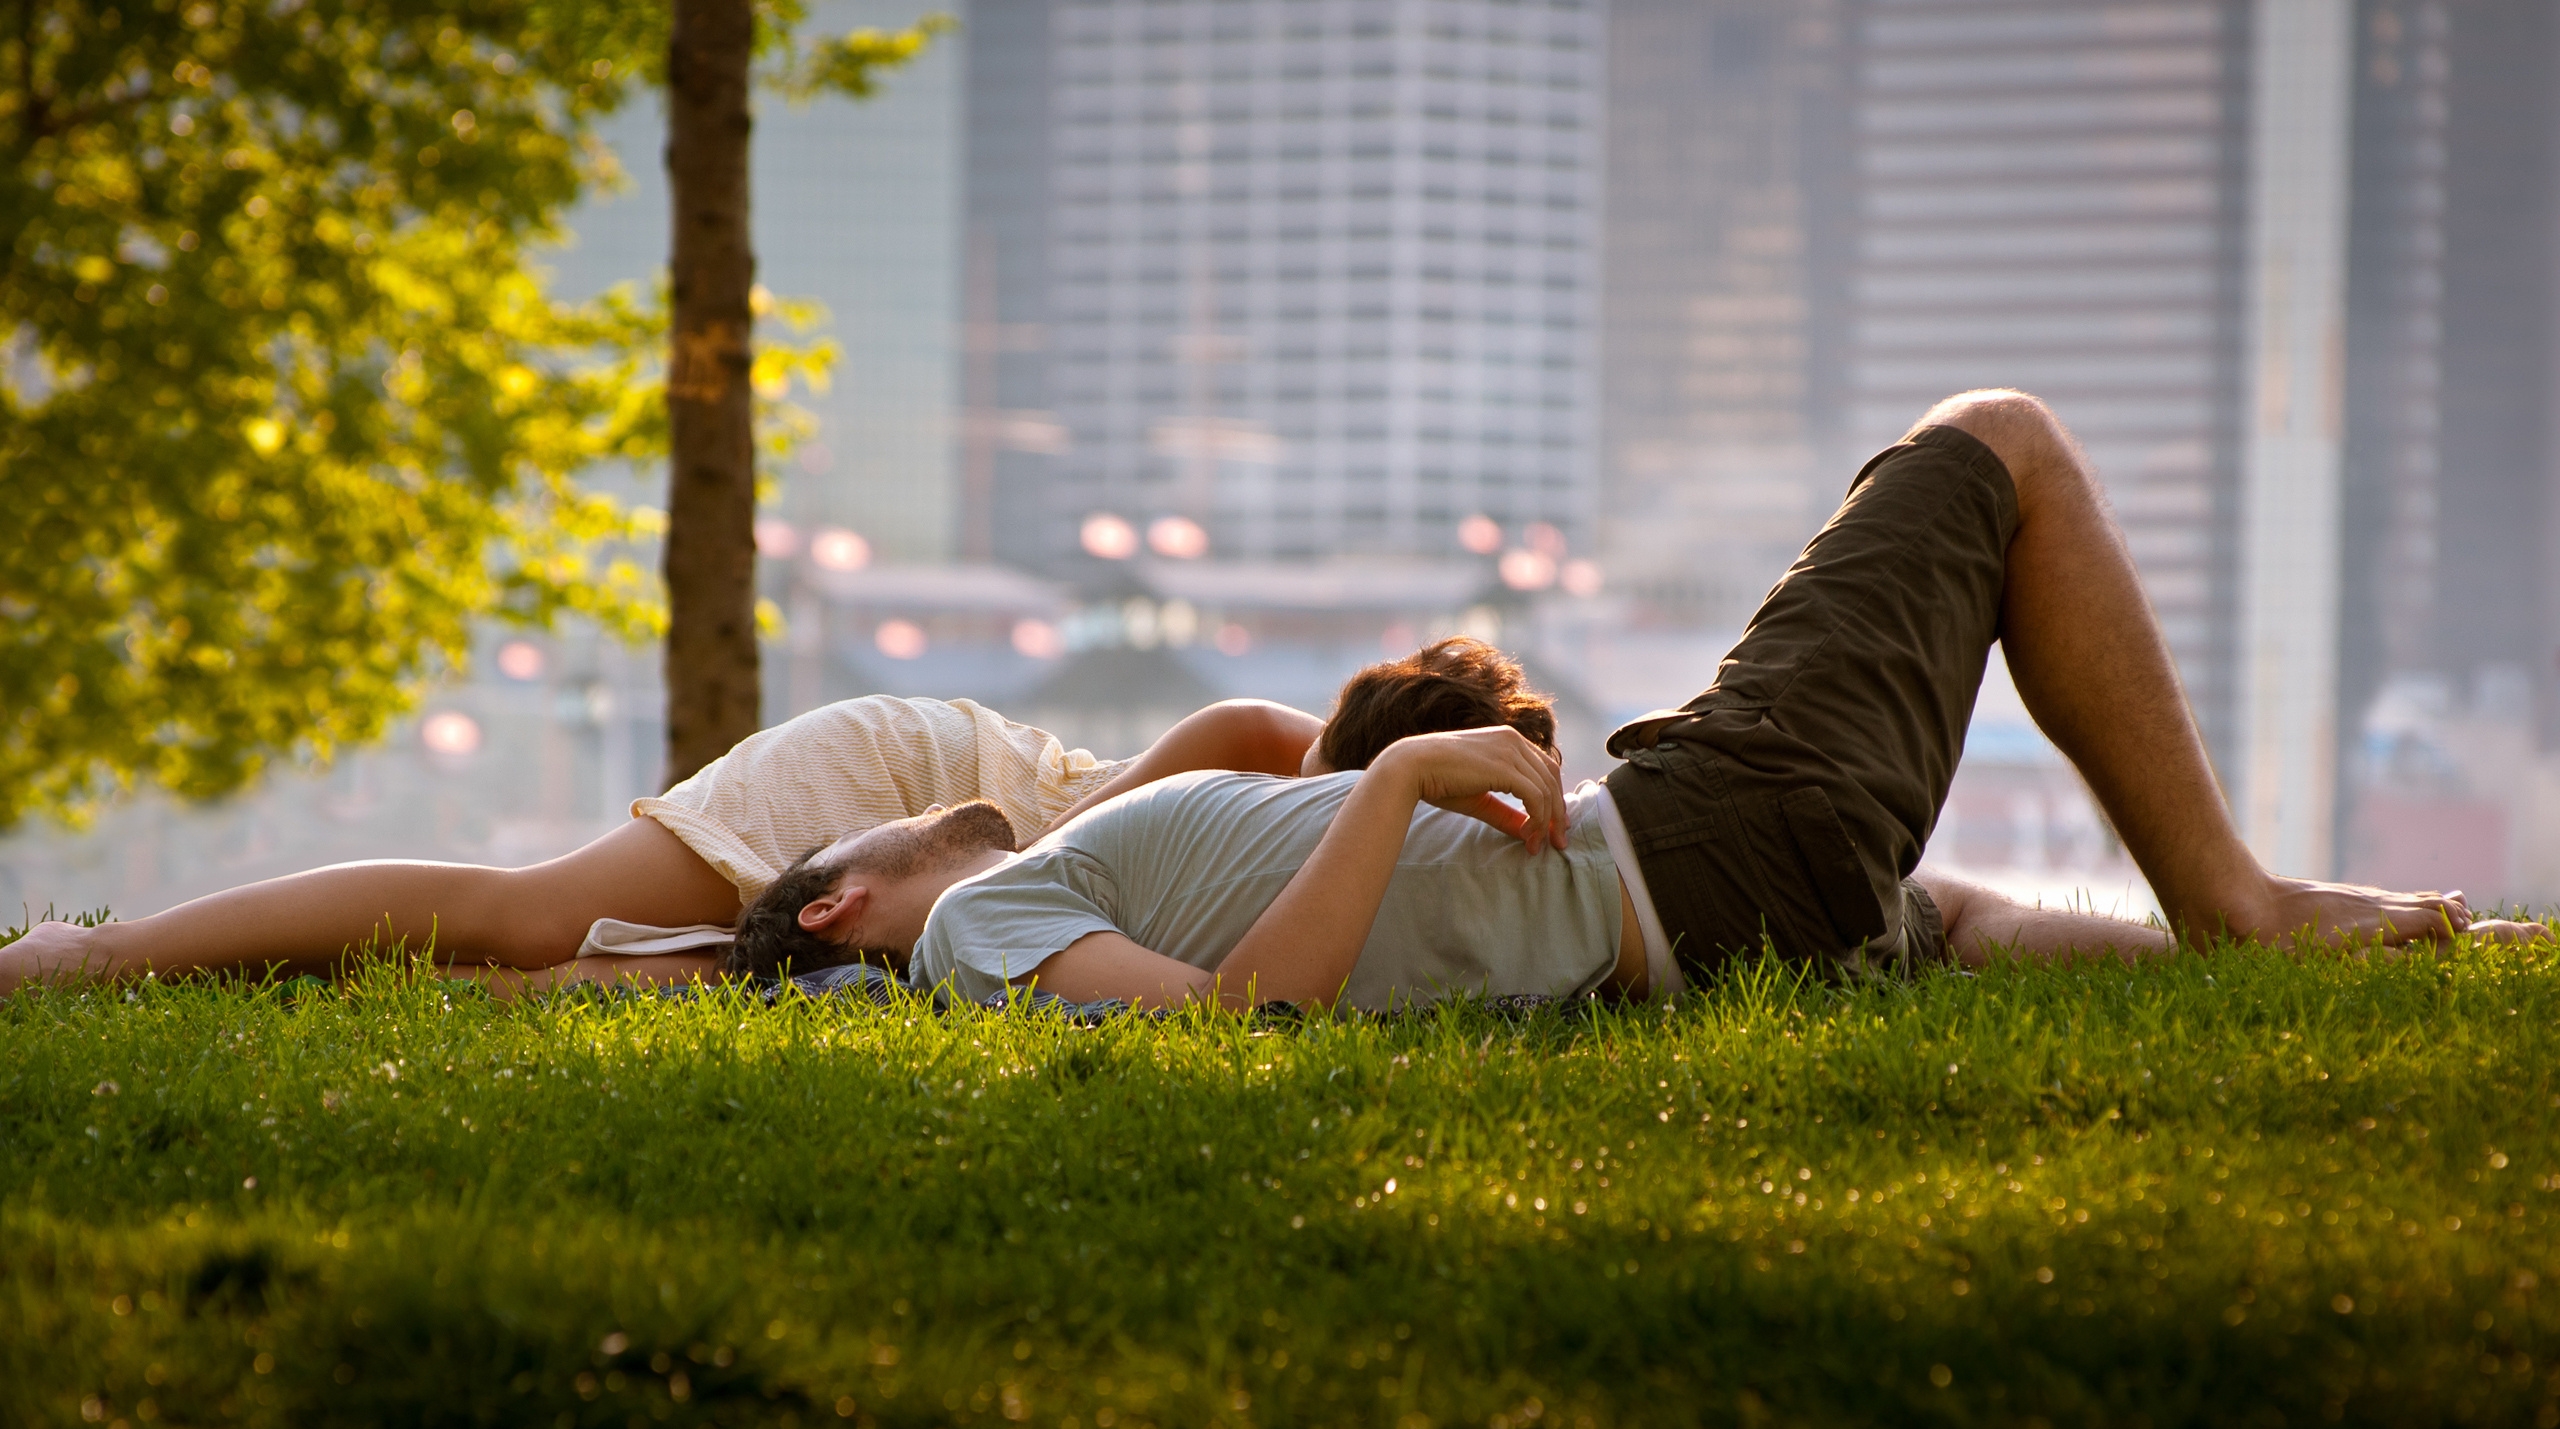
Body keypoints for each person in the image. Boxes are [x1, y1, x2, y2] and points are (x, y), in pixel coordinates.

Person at [722, 390, 2542, 1015]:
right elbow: (1241, 1027)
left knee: (1955, 917)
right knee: (1999, 445)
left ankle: (2293, 957)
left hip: (1729, 904)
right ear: (837, 904)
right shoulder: (966, 923)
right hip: (1696, 850)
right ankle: (2238, 905)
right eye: (862, 836)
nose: (908, 814)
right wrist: (1401, 779)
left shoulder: (1049, 887)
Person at [0, 693, 1321, 995]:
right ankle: (99, 959)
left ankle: (262, 978)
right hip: (935, 796)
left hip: (937, 928)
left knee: (624, 979)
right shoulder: (1340, 769)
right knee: (535, 917)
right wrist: (1001, 888)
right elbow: (1244, 730)